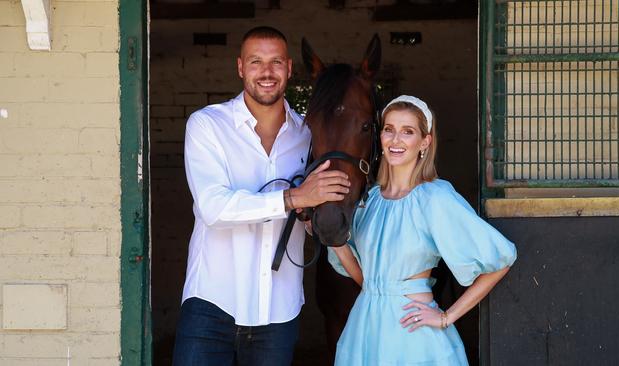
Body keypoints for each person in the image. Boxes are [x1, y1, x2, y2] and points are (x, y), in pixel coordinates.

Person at [172, 26, 351, 366]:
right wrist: (293, 198)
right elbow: (213, 208)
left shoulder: (309, 135)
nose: (266, 72)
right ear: (241, 67)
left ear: (289, 69)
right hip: (211, 303)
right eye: (256, 62)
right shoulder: (207, 125)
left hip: (278, 311)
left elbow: (315, 214)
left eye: (275, 62)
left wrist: (310, 215)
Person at [329, 95, 517, 365]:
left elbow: (501, 261)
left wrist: (446, 317)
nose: (396, 140)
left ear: (425, 142)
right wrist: (331, 236)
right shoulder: (369, 200)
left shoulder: (435, 198)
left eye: (408, 132)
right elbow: (365, 278)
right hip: (364, 329)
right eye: (389, 129)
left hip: (412, 332)